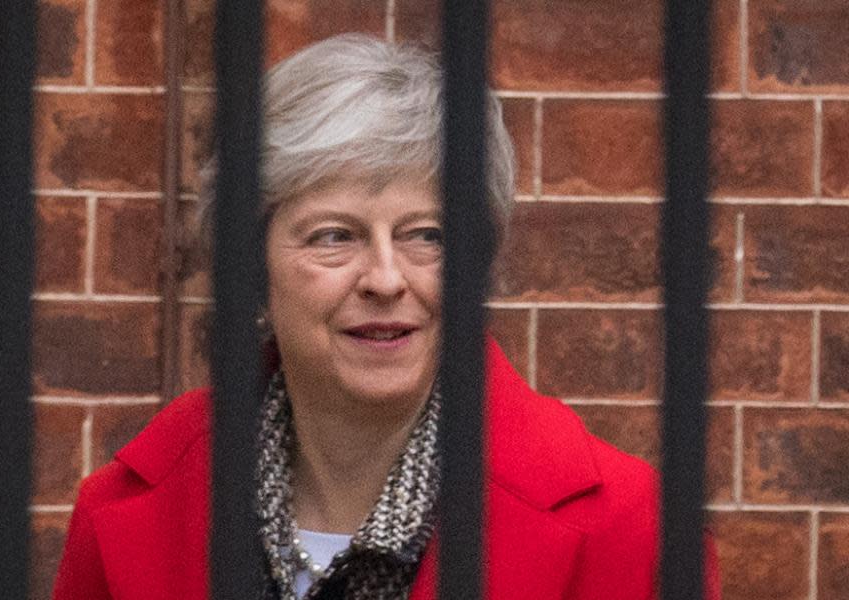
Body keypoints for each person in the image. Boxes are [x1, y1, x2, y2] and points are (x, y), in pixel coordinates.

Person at [52, 34, 720, 600]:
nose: (385, 278)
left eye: (425, 234)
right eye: (334, 236)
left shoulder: (634, 532)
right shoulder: (125, 510)